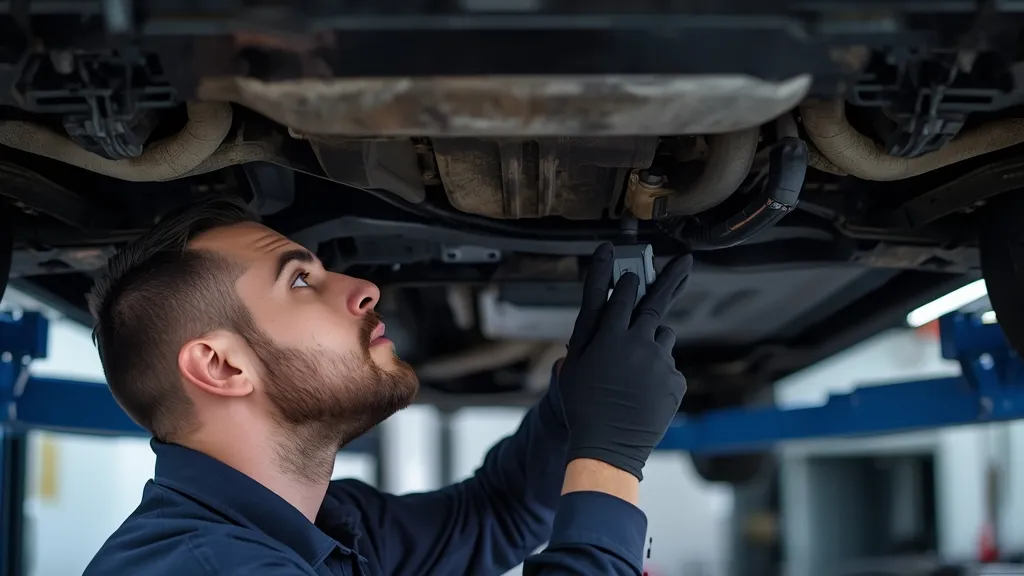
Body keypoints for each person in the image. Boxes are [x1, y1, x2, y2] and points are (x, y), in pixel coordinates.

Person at [83, 196, 692, 576]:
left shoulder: (323, 527)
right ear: (220, 366)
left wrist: (576, 402)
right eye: (299, 282)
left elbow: (493, 519)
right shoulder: (205, 569)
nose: (362, 288)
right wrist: (609, 458)